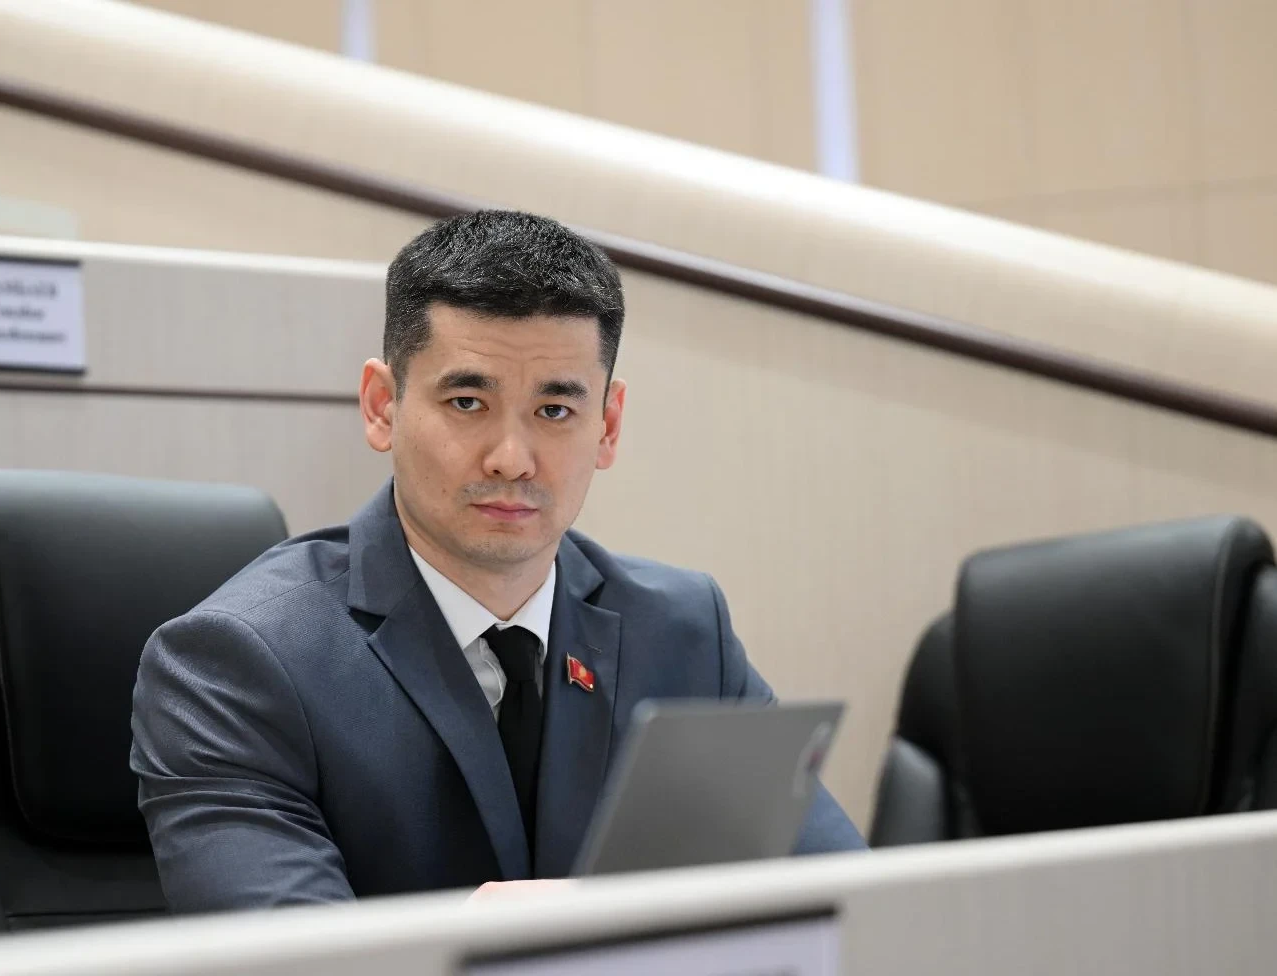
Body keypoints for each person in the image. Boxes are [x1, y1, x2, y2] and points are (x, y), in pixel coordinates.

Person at [130, 210, 866, 913]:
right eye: (467, 402)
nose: (512, 458)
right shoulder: (238, 663)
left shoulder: (684, 634)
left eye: (555, 411)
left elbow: (846, 906)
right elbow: (296, 960)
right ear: (383, 406)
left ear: (607, 426)